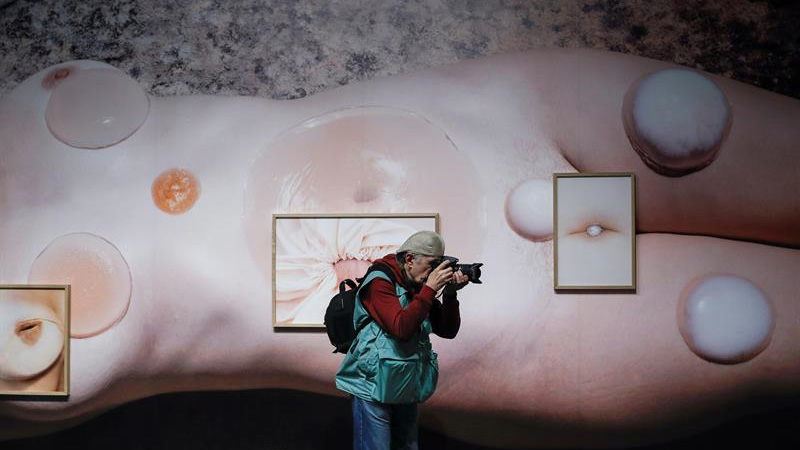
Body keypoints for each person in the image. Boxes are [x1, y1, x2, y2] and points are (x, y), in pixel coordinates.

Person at [336, 230, 468, 450]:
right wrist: (430, 289)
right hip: (372, 385)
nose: (434, 271)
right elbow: (401, 328)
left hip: (403, 381)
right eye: (432, 264)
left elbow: (447, 330)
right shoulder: (379, 282)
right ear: (409, 260)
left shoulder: (417, 284)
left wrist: (450, 294)